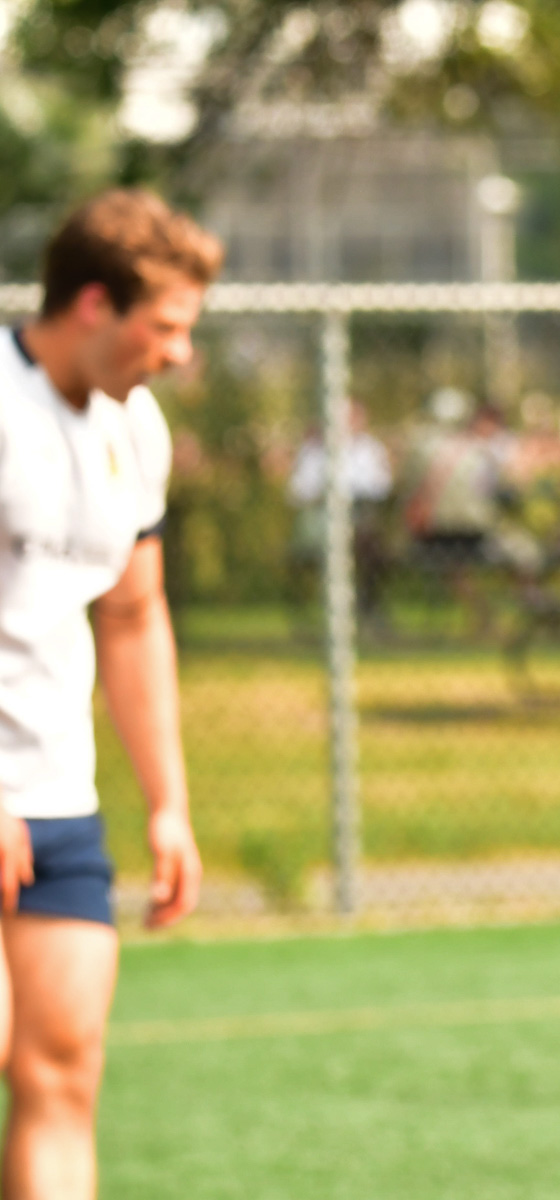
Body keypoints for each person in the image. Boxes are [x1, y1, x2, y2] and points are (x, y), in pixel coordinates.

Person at [0, 189, 212, 1198]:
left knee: (62, 1070)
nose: (177, 352)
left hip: (60, 808)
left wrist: (167, 802)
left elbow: (132, 616)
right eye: (165, 326)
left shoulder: (139, 429)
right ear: (93, 304)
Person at [287, 401, 394, 622]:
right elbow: (297, 490)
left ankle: (366, 604)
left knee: (375, 547)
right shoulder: (315, 450)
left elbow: (382, 485)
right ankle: (339, 611)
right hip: (320, 520)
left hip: (359, 517)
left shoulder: (370, 449)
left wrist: (350, 490)